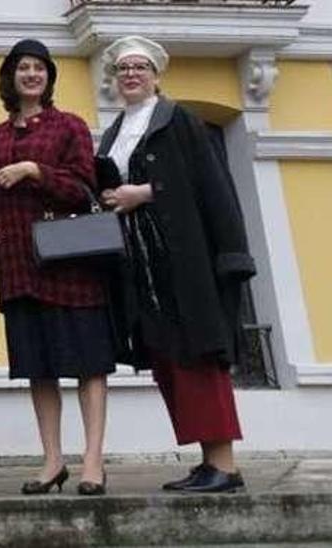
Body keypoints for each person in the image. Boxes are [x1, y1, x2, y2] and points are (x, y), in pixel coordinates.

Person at [97, 36, 253, 493]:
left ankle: (224, 464)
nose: (130, 74)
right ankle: (208, 462)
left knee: (201, 355)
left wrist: (144, 192)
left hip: (187, 263)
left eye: (139, 67)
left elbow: (209, 183)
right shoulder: (114, 132)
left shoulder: (179, 119)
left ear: (156, 76)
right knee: (170, 361)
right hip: (143, 266)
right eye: (123, 68)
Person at [0, 39, 114, 497]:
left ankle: (92, 460)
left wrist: (35, 169)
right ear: (10, 77)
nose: (31, 75)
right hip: (18, 269)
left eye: (39, 68)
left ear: (49, 77)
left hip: (70, 267)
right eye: (23, 68)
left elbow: (83, 189)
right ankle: (53, 460)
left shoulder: (69, 126)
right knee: (40, 369)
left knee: (89, 365)